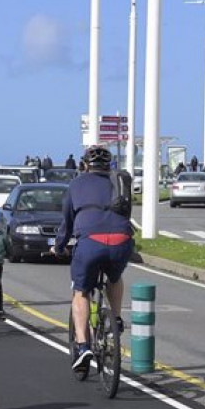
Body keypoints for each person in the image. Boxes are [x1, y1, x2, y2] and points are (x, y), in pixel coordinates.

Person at [52, 145, 133, 373]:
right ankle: (115, 319)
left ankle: (83, 345)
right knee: (115, 277)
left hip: (90, 243)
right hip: (121, 240)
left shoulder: (76, 184)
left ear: (85, 164)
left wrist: (58, 247)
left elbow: (67, 222)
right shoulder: (119, 182)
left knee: (81, 292)